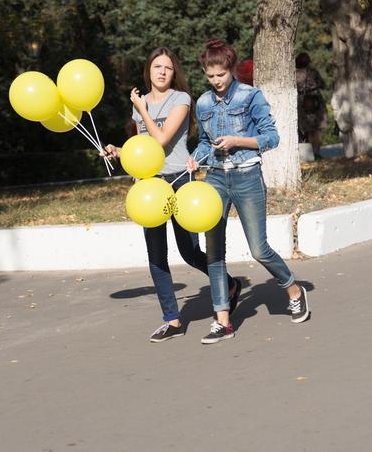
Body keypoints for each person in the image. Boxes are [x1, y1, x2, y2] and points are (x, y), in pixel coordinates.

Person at [102, 47, 241, 343]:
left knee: (188, 251)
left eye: (167, 67)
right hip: (149, 186)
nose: (162, 72)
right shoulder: (142, 103)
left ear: (174, 72)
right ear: (148, 71)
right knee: (156, 255)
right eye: (157, 67)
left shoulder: (181, 99)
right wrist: (119, 150)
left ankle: (229, 285)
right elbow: (144, 146)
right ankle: (172, 319)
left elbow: (162, 139)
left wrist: (142, 110)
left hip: (178, 179)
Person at [186, 39, 310, 345]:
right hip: (214, 178)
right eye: (210, 75)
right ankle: (222, 320)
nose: (216, 81)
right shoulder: (202, 103)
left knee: (259, 248)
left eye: (221, 75)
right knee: (214, 252)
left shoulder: (250, 96)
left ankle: (293, 289)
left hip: (247, 177)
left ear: (231, 69)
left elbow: (271, 137)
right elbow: (205, 141)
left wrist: (236, 141)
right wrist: (195, 157)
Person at [295, 53, 328, 157]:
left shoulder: (294, 74)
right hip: (316, 101)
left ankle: (310, 153)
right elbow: (323, 84)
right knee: (317, 128)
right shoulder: (312, 72)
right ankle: (317, 152)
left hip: (302, 102)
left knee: (308, 129)